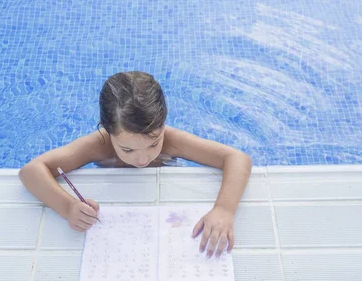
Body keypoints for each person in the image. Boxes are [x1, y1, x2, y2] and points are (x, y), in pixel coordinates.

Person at [19, 71, 252, 258]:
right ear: (107, 130)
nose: (142, 159)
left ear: (163, 123)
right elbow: (31, 171)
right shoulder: (97, 146)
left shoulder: (172, 140)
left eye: (153, 144)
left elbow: (238, 159)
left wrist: (224, 209)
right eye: (127, 150)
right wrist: (67, 206)